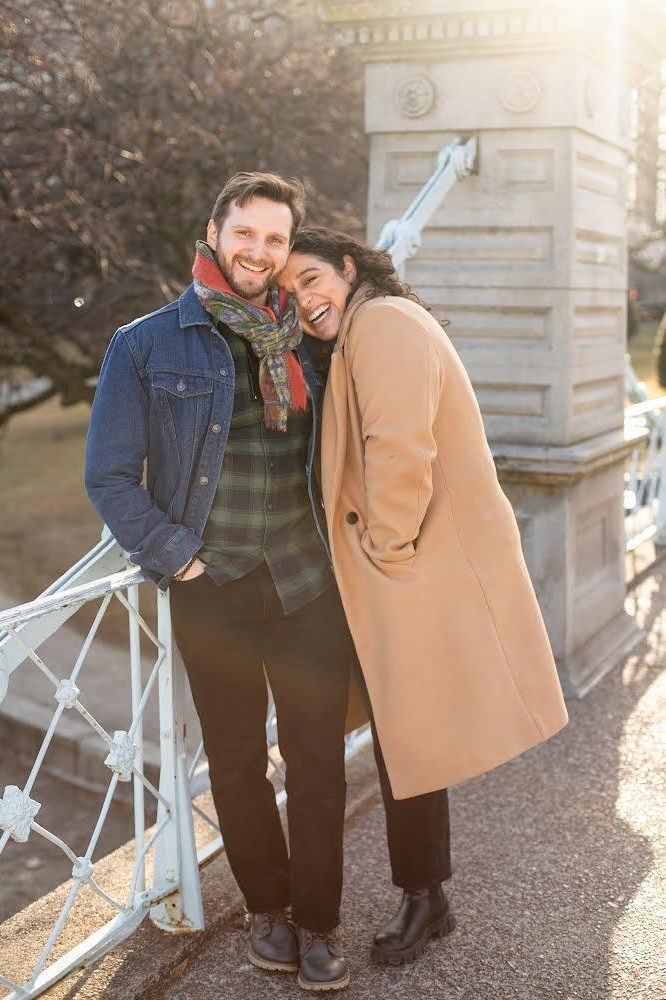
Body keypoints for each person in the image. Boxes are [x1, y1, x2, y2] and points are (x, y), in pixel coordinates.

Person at [85, 173, 356, 992]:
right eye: (246, 233)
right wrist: (180, 559)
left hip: (307, 584)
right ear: (213, 233)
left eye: (275, 239)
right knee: (237, 764)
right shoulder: (145, 344)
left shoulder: (311, 341)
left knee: (317, 762)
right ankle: (267, 910)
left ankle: (318, 923)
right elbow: (109, 476)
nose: (259, 251)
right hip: (214, 587)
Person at [280, 226, 570, 964]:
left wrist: (386, 548)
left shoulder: (382, 325)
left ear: (348, 268)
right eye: (288, 292)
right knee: (402, 733)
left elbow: (400, 446)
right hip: (392, 564)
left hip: (403, 564)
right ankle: (424, 895)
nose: (304, 300)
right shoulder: (369, 327)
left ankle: (423, 898)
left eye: (311, 279)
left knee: (407, 733)